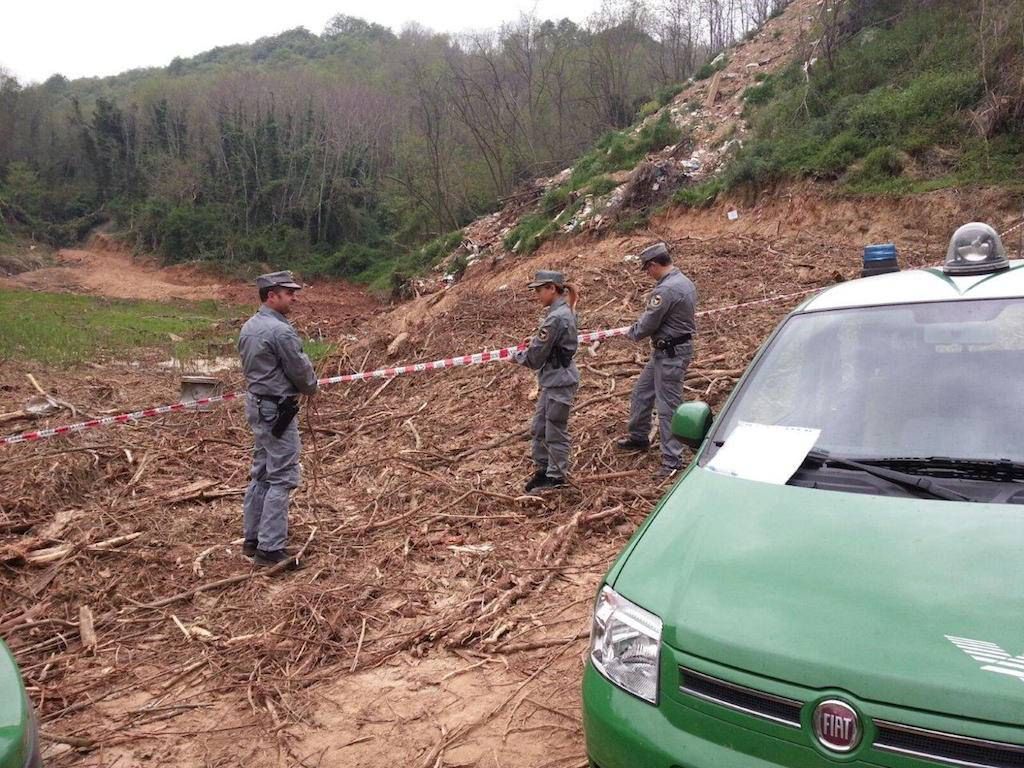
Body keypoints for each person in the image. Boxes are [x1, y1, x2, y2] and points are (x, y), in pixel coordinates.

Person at [237, 271, 319, 570]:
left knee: (261, 471)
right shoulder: (280, 331)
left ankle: (253, 539)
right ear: (272, 296)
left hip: (258, 406)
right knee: (282, 476)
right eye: (288, 293)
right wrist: (311, 386)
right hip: (276, 410)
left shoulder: (249, 326)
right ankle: (271, 548)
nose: (294, 298)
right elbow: (300, 372)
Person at [616, 242, 697, 477]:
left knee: (667, 407)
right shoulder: (684, 281)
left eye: (646, 269)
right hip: (665, 352)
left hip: (671, 354)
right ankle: (639, 436)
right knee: (642, 392)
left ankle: (673, 460)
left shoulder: (666, 290)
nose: (647, 274)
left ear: (653, 265)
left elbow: (648, 323)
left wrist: (631, 332)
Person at [514, 270, 580, 492]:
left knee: (555, 430)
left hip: (559, 381)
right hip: (553, 380)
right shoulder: (562, 312)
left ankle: (556, 477)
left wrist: (518, 356)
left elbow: (535, 358)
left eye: (539, 290)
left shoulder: (556, 317)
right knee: (540, 428)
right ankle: (543, 470)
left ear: (552, 288)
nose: (537, 296)